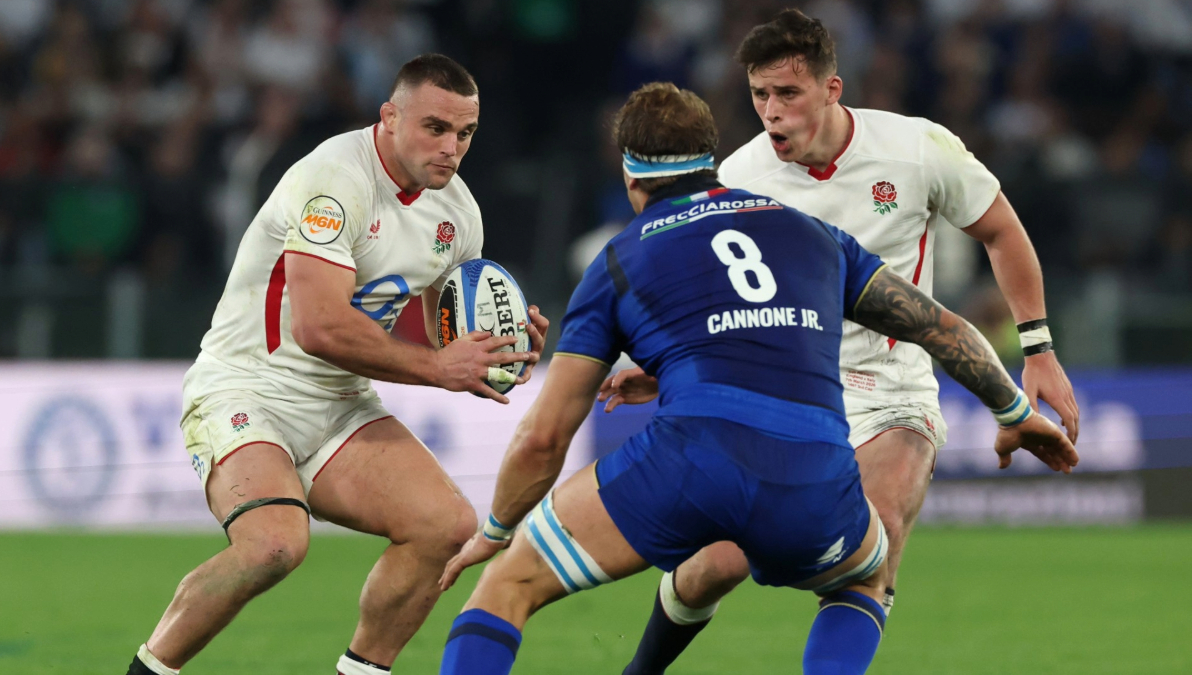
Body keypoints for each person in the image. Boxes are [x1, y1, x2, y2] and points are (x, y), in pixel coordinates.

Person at [435, 82, 1076, 675]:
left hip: (692, 463)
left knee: (509, 586)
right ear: (711, 158)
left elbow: (545, 438)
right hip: (811, 473)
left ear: (629, 171)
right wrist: (1015, 412)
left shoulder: (619, 260)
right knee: (865, 578)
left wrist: (494, 531)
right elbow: (941, 329)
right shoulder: (813, 235)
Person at [608, 12, 1082, 673]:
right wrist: (663, 371)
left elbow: (1001, 230)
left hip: (894, 389)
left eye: (788, 94)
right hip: (786, 391)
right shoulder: (739, 178)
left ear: (832, 90)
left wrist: (1038, 348)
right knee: (713, 564)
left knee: (872, 546)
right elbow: (722, 299)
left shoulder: (917, 150)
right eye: (759, 96)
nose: (772, 112)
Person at [125, 54, 548, 675]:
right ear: (390, 116)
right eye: (436, 128)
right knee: (273, 545)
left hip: (338, 404)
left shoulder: (457, 212)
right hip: (247, 385)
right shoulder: (334, 179)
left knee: (444, 525)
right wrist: (438, 369)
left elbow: (445, 329)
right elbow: (318, 326)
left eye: (465, 133)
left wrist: (498, 348)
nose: (452, 148)